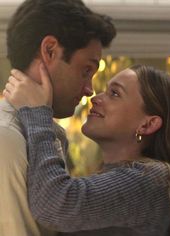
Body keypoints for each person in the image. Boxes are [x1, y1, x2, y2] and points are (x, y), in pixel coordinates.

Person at [4, 63, 170, 236]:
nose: (95, 97)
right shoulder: (114, 177)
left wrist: (37, 112)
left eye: (114, 93)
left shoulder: (156, 179)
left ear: (147, 124)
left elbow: (55, 205)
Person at [0, 0, 116, 235]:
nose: (89, 90)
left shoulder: (48, 134)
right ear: (50, 50)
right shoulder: (7, 139)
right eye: (86, 70)